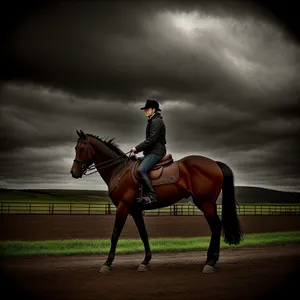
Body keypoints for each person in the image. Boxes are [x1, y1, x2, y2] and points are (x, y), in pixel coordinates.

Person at [131, 99, 167, 207]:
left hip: (156, 151)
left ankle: (152, 195)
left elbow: (152, 139)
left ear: (153, 109)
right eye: (145, 109)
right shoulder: (153, 120)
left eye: (147, 109)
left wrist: (136, 148)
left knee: (141, 170)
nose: (145, 111)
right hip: (152, 151)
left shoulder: (156, 121)